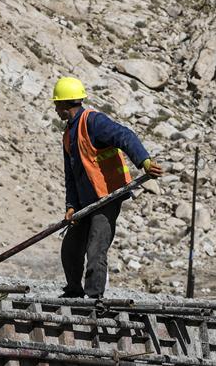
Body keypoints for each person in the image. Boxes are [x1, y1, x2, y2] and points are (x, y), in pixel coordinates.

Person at [52, 76, 163, 299]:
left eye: (56, 104)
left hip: (107, 197)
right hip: (85, 202)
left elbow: (125, 135)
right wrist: (71, 205)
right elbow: (71, 176)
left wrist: (145, 162)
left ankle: (94, 299)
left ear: (64, 104)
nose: (55, 108)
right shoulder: (68, 135)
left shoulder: (93, 122)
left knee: (96, 248)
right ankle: (74, 291)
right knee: (71, 248)